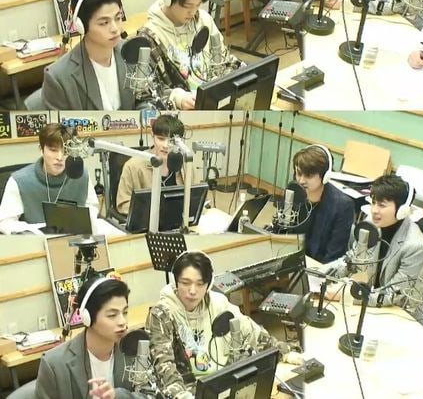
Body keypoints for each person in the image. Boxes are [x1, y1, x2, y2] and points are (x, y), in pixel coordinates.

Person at [146, 250, 302, 399]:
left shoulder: (218, 303)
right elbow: (164, 366)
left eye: (200, 284)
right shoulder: (162, 314)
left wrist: (285, 352)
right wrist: (183, 396)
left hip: (221, 383)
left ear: (208, 285)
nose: (192, 291)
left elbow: (251, 331)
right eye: (186, 283)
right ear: (175, 282)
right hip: (186, 390)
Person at [322, 174, 423, 328]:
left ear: (402, 210)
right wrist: (322, 275)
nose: (374, 210)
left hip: (402, 319)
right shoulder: (371, 224)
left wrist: (347, 295)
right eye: (373, 203)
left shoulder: (416, 247)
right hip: (375, 307)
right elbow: (351, 261)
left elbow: (394, 295)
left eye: (381, 205)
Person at [138, 0, 239, 110]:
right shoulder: (150, 37)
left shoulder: (204, 20)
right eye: (187, 6)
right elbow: (146, 94)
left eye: (197, 5)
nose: (193, 12)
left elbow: (224, 60)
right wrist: (177, 98)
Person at [35, 276, 147, 399]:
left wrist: (118, 396)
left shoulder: (135, 349)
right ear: (87, 318)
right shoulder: (54, 364)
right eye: (112, 315)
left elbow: (149, 394)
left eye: (124, 312)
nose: (122, 322)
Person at [42, 0, 138, 110]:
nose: (115, 28)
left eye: (118, 18)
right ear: (81, 26)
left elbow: (146, 99)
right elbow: (60, 123)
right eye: (104, 23)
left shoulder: (132, 53)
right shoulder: (58, 77)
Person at [0, 124, 99, 235]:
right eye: (53, 150)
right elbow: (5, 222)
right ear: (41, 150)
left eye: (66, 151)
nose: (60, 157)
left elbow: (92, 209)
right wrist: (37, 230)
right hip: (35, 241)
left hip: (73, 240)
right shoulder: (19, 180)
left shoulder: (81, 175)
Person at [290, 145, 355, 263]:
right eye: (299, 174)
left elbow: (333, 256)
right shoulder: (294, 192)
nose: (301, 181)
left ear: (325, 176)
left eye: (308, 175)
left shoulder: (343, 206)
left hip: (321, 267)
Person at [116, 114, 186, 215]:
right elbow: (123, 205)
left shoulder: (185, 164)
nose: (166, 145)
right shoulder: (133, 166)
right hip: (147, 220)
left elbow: (197, 197)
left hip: (180, 220)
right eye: (161, 139)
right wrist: (150, 211)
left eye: (171, 141)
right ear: (152, 135)